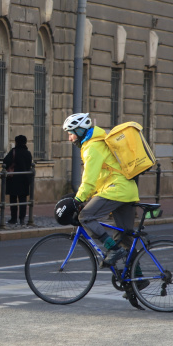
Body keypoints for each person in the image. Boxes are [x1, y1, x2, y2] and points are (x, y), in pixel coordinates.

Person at [62, 112, 139, 266]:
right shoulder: (99, 140)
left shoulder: (92, 147)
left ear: (79, 131)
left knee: (85, 216)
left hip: (116, 190)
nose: (70, 138)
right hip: (127, 190)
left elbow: (89, 180)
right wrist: (86, 196)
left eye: (71, 134)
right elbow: (99, 178)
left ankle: (113, 249)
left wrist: (78, 200)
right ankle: (137, 281)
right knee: (125, 239)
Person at [2, 135, 33, 225]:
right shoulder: (28, 153)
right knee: (23, 200)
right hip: (25, 180)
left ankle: (14, 218)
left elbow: (5, 161)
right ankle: (22, 219)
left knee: (13, 200)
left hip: (14, 180)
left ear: (16, 142)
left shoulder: (14, 151)